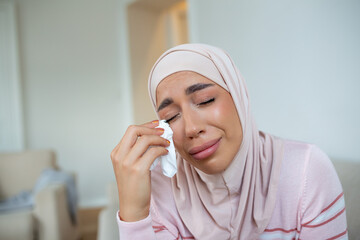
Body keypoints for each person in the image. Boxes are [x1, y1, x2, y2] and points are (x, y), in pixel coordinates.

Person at [110, 44, 347, 239]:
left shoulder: (306, 171)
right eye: (171, 117)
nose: (192, 128)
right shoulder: (160, 190)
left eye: (205, 100)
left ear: (238, 95)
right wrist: (135, 215)